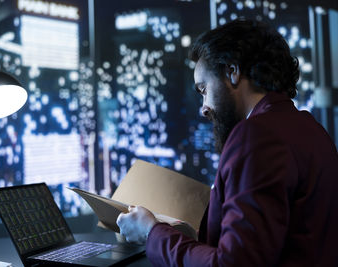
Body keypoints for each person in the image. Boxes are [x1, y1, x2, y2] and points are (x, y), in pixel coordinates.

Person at [116, 19, 338, 266]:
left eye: (204, 89)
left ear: (232, 72)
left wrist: (151, 232)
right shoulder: (311, 128)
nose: (204, 108)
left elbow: (234, 263)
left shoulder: (255, 136)